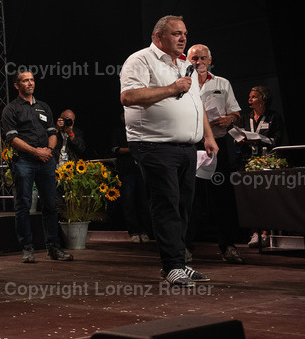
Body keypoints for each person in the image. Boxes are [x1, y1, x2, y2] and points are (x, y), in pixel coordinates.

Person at [120, 15, 218, 286]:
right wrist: (172, 88)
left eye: (184, 33)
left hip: (188, 148)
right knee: (166, 204)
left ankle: (178, 263)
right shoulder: (140, 60)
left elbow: (197, 105)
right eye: (176, 34)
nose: (183, 38)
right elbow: (128, 97)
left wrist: (207, 136)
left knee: (184, 206)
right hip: (153, 145)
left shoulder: (187, 64)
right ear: (158, 37)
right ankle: (172, 265)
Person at [2, 71, 73, 263]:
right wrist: (35, 152)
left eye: (32, 80)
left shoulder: (43, 107)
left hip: (45, 160)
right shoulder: (11, 109)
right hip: (24, 161)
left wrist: (49, 150)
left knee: (51, 204)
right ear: (17, 85)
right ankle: (27, 248)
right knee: (23, 205)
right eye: (25, 80)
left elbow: (52, 132)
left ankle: (54, 248)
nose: (30, 83)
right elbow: (12, 139)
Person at [184, 44, 244, 265]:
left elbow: (236, 113)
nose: (197, 62)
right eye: (193, 58)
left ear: (210, 60)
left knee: (223, 198)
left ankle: (228, 246)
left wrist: (231, 119)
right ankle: (185, 247)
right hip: (192, 146)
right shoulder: (183, 83)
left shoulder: (222, 83)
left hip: (218, 145)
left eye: (201, 58)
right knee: (191, 198)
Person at [236, 85, 284, 249]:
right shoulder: (244, 117)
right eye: (249, 96)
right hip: (247, 160)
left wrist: (261, 139)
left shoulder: (273, 117)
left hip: (267, 161)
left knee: (267, 197)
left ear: (263, 99)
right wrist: (241, 140)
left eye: (254, 97)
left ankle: (266, 232)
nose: (249, 99)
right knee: (250, 197)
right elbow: (237, 136)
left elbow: (277, 140)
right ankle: (254, 233)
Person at [110, 114, 151, 243]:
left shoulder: (141, 131)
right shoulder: (117, 132)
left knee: (143, 202)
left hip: (141, 170)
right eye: (124, 116)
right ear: (121, 118)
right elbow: (115, 149)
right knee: (129, 202)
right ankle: (133, 232)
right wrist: (131, 150)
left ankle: (145, 232)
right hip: (126, 171)